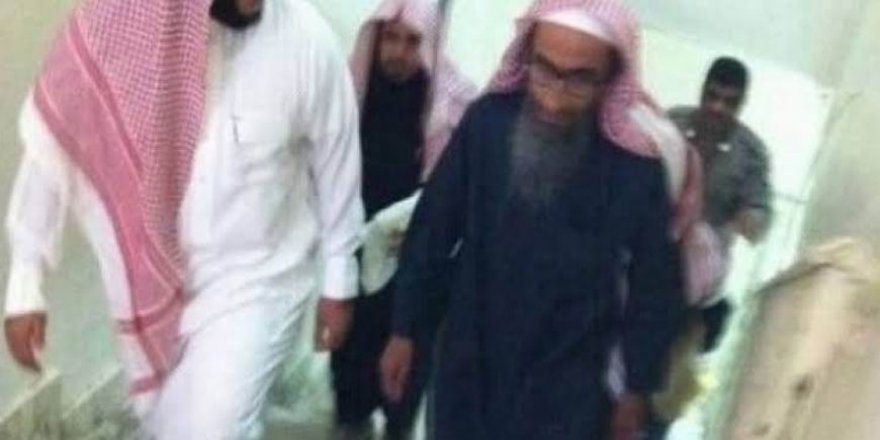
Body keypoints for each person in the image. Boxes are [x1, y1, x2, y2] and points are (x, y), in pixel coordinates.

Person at [2, 0, 363, 438]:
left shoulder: (309, 43)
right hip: (163, 281)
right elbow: (55, 139)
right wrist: (25, 280)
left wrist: (339, 282)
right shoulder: (126, 23)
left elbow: (337, 163)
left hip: (258, 282)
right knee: (169, 429)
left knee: (214, 426)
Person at [378, 1, 701, 439]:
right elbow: (434, 229)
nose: (554, 99)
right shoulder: (487, 126)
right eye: (544, 70)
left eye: (579, 80)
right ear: (525, 56)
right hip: (470, 363)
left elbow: (653, 287)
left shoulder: (635, 170)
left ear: (609, 78)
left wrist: (635, 390)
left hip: (567, 387)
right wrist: (404, 328)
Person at [331, 1, 477, 439]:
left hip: (418, 257)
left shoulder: (450, 100)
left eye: (412, 41)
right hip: (357, 245)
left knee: (406, 366)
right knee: (351, 357)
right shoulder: (352, 87)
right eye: (389, 39)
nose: (398, 52)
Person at [646, 56, 773, 439]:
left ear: (742, 104)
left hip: (694, 295)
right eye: (712, 96)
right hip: (644, 274)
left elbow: (760, 217)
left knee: (662, 397)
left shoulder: (750, 153)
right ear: (702, 92)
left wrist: (743, 221)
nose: (717, 107)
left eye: (729, 102)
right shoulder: (672, 124)